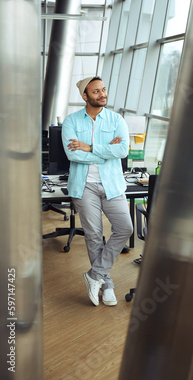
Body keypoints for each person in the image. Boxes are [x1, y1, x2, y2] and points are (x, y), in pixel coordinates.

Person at [61, 76, 133, 307]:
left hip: (112, 184)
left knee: (125, 229)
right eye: (96, 92)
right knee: (93, 236)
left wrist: (90, 147)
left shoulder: (116, 119)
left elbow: (122, 150)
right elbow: (73, 155)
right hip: (84, 186)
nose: (102, 94)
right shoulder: (71, 122)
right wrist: (106, 150)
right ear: (85, 96)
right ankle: (106, 285)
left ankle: (94, 275)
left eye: (104, 90)